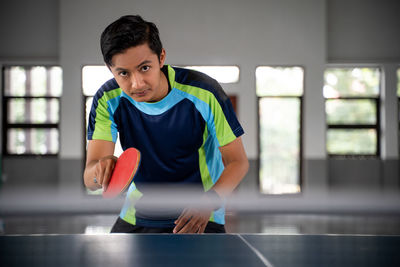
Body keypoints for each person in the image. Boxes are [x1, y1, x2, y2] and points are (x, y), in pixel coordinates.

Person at [83, 15, 249, 234]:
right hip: (137, 214)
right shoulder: (108, 99)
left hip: (199, 215)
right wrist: (100, 171)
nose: (137, 83)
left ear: (161, 57)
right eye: (123, 73)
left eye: (144, 68)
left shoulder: (204, 93)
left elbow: (238, 162)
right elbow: (89, 179)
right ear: (110, 69)